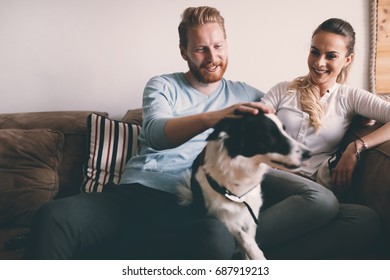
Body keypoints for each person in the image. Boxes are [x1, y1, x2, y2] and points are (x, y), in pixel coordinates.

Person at [24, 7, 381, 260]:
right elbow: (157, 133)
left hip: (201, 207)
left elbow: (291, 121)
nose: (212, 57)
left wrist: (355, 130)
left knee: (361, 221)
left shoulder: (250, 94)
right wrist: (217, 117)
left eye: (218, 46)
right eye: (200, 48)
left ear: (227, 45)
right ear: (184, 51)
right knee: (53, 217)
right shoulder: (163, 85)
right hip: (139, 196)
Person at [261, 18, 390, 200]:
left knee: (366, 218)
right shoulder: (283, 90)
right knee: (324, 202)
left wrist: (356, 147)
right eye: (315, 52)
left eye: (331, 56)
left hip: (310, 188)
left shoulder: (350, 97)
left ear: (348, 59)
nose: (319, 63)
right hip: (271, 176)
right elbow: (251, 126)